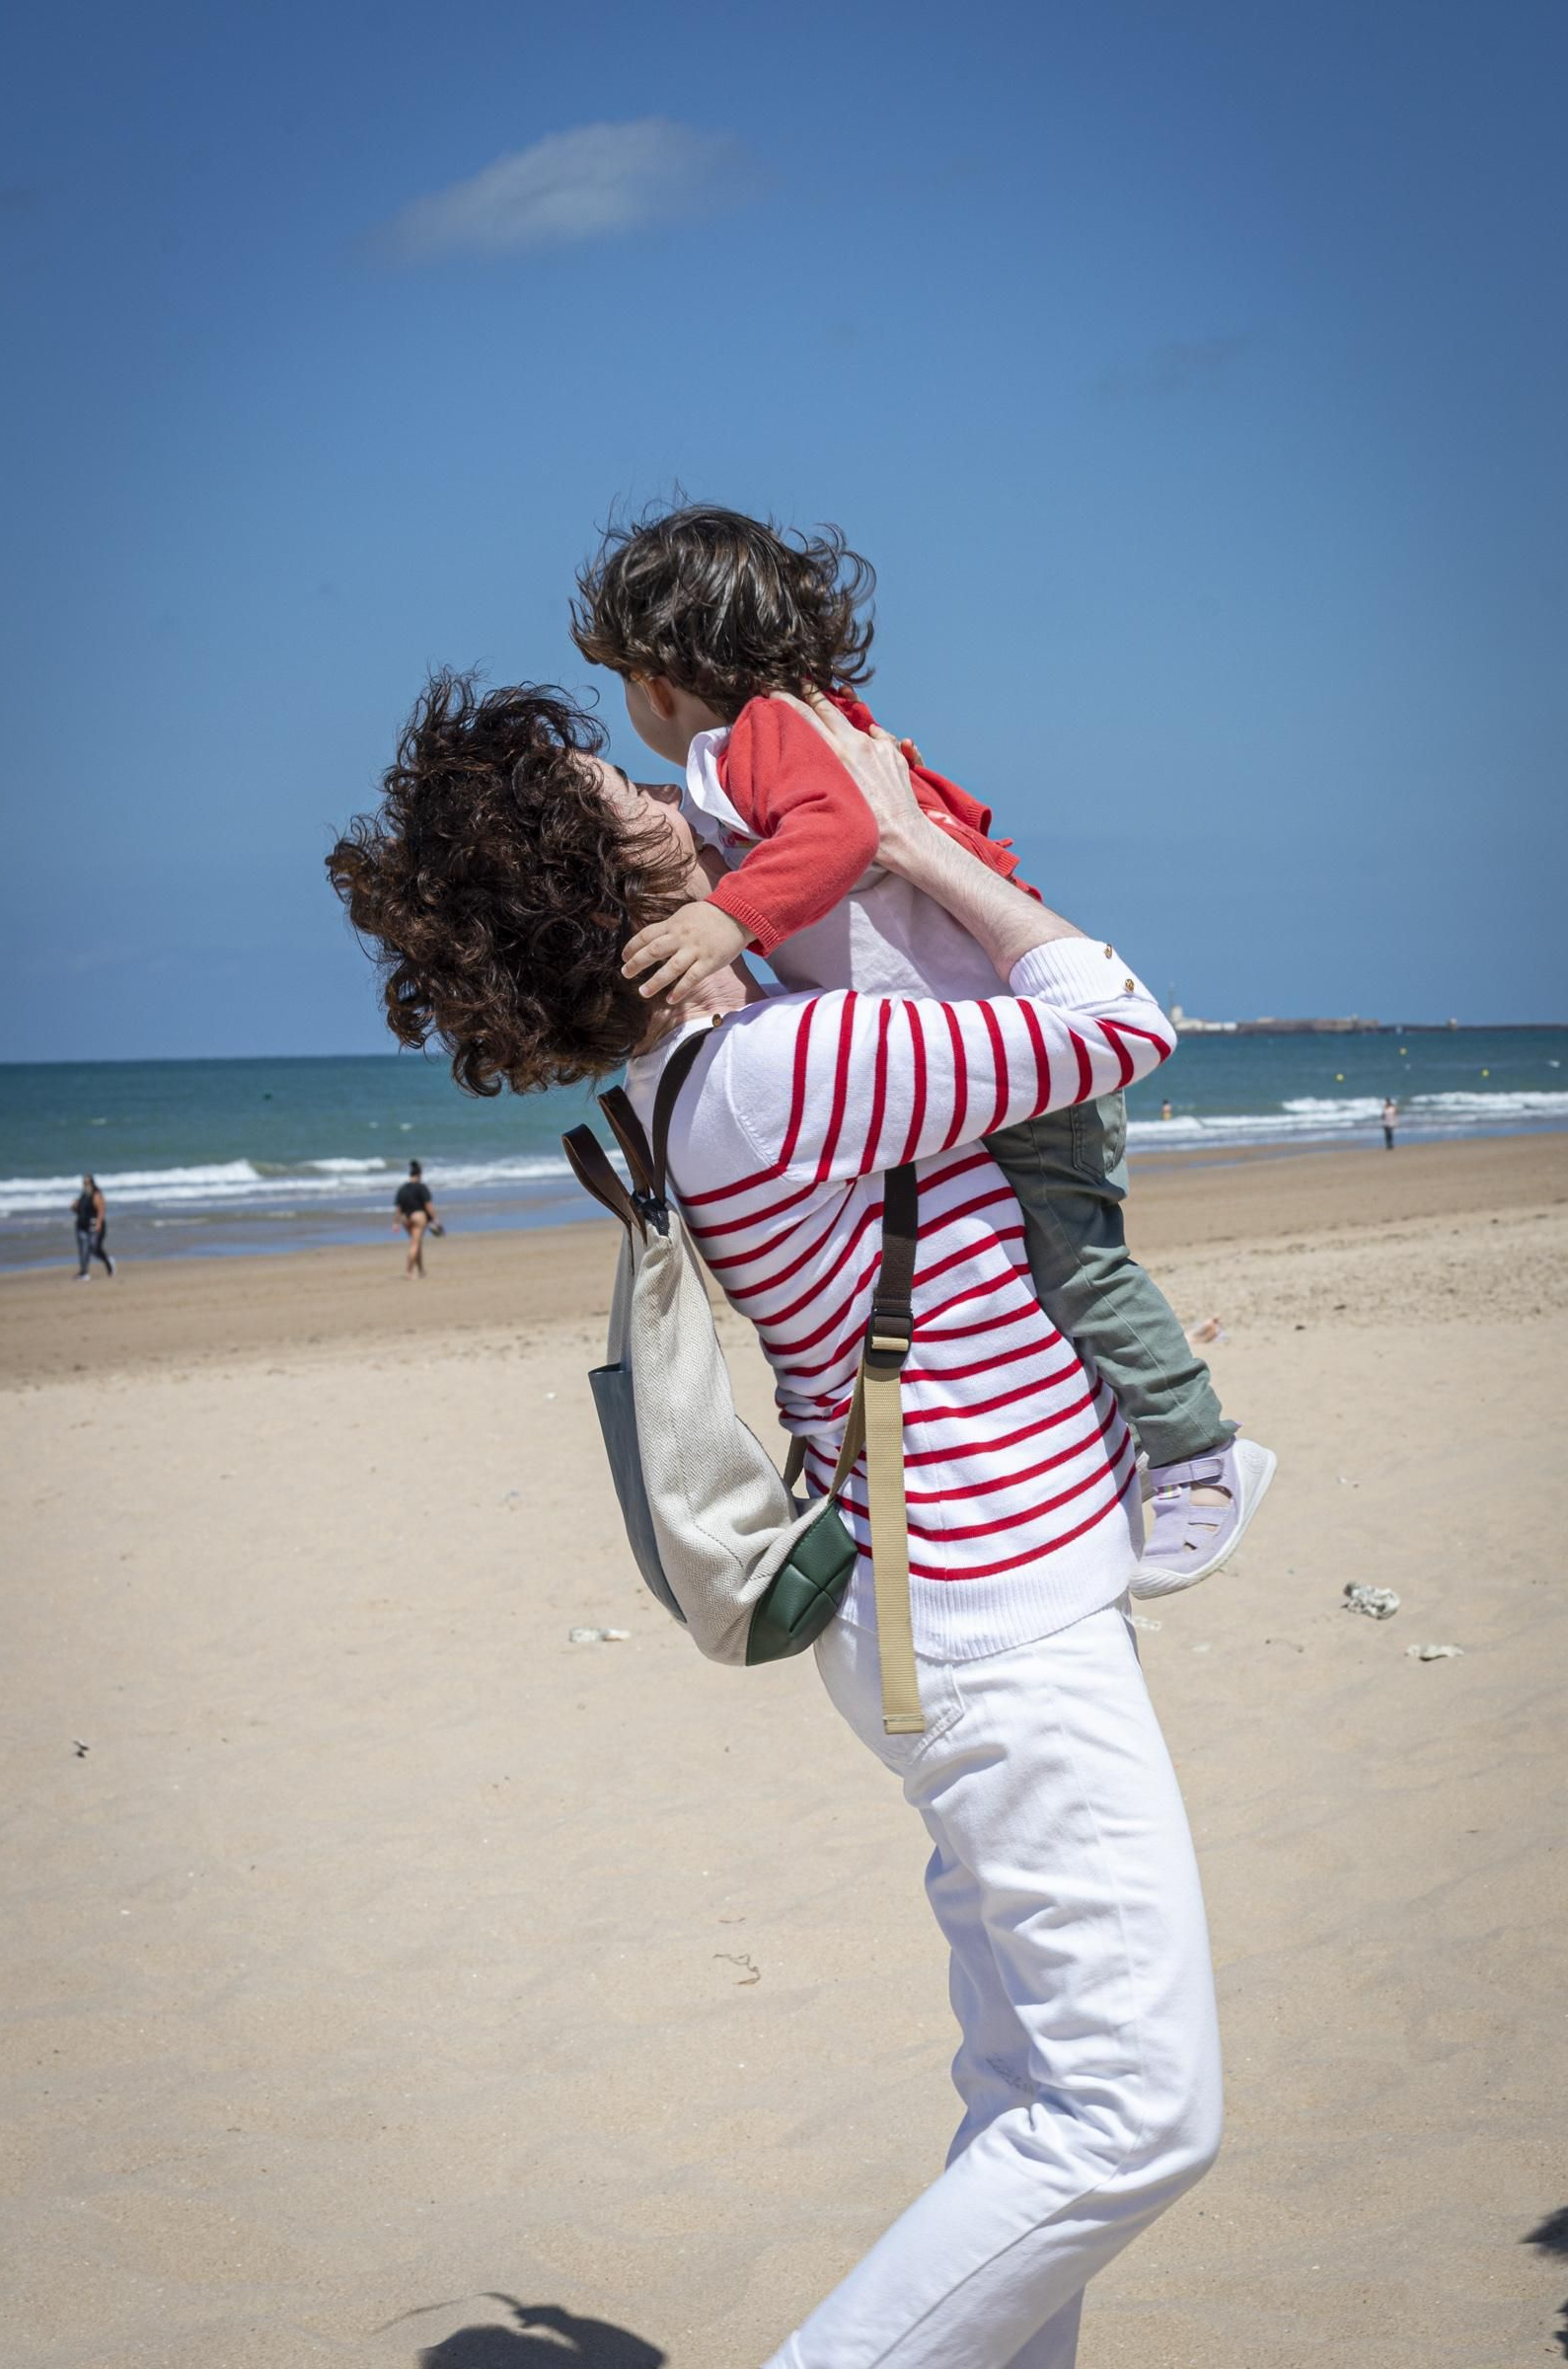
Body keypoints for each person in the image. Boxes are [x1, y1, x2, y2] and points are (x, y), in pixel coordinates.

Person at [329, 673, 1225, 2367]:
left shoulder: (722, 1068)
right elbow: (1116, 1021)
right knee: (1134, 2117)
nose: (682, 804)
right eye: (629, 806)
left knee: (1033, 2088)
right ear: (616, 898)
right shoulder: (776, 1071)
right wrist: (905, 843)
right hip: (991, 1612)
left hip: (942, 1595)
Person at [572, 505, 1272, 1593]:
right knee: (1019, 1273)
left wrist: (723, 921)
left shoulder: (761, 738)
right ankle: (1104, 1464)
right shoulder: (754, 757)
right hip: (977, 1061)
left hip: (1028, 1055)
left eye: (621, 684)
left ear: (656, 676)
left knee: (1078, 1267)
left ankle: (1200, 1455)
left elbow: (842, 834)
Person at [392, 1158, 441, 1277]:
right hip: (418, 1216)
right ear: (419, 1174)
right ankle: (409, 1272)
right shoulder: (421, 1187)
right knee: (415, 1244)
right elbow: (428, 1205)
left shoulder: (402, 1189)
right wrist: (435, 1219)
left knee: (416, 1242)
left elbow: (399, 1208)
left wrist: (395, 1223)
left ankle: (421, 1270)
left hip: (405, 1218)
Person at [71, 1175, 114, 1280]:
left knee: (93, 1247)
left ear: (92, 1183)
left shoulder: (96, 1194)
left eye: (87, 1182)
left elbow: (101, 1209)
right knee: (83, 1250)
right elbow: (78, 1210)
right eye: (84, 1183)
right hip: (81, 1226)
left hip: (93, 1226)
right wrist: (74, 1207)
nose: (85, 1185)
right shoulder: (83, 1195)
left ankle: (108, 1261)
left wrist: (99, 1223)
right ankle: (84, 1272)